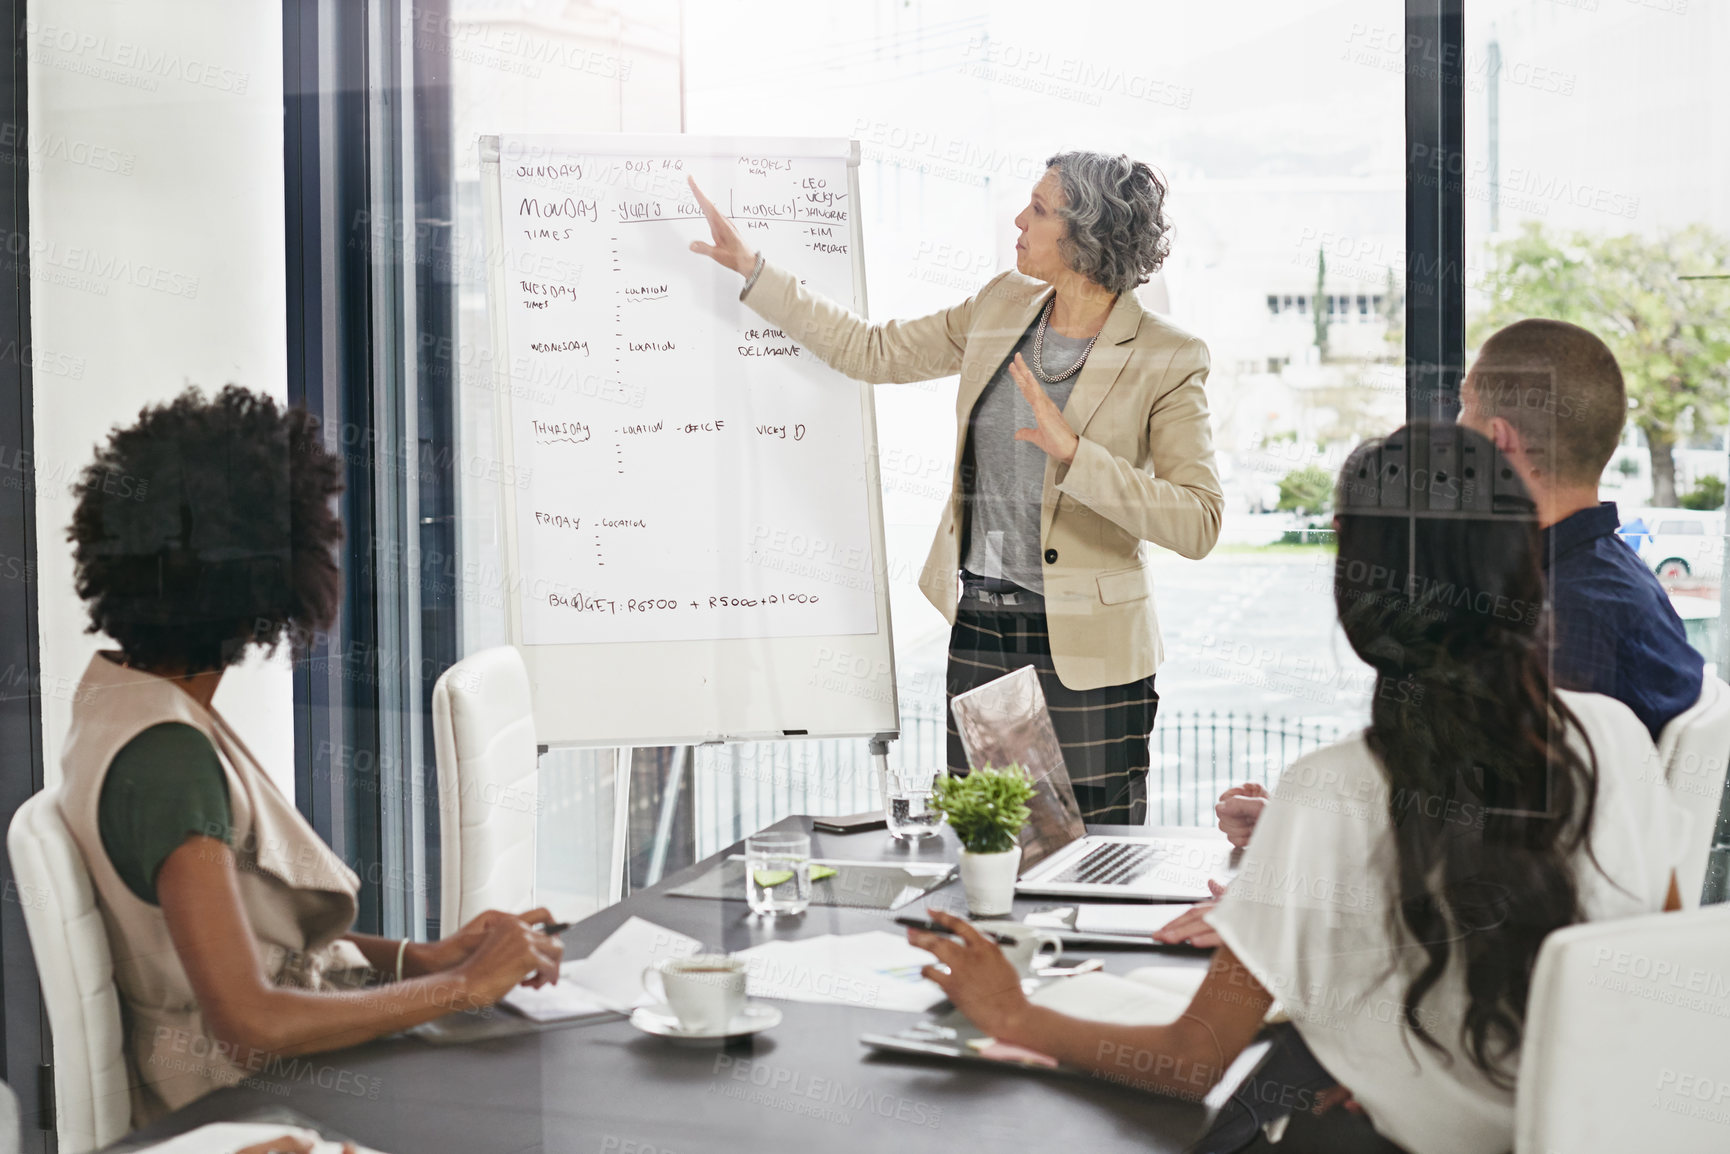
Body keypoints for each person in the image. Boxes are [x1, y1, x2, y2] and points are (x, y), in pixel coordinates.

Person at [910, 424, 1684, 1154]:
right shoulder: (1609, 735)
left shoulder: (1331, 791)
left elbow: (1191, 1060)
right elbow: (1653, 949)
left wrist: (1013, 1011)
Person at [57, 387, 562, 1127]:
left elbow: (245, 940)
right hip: (260, 1114)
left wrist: (427, 959)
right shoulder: (170, 761)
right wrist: (466, 988)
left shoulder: (122, 699)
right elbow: (250, 1027)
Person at [688, 151, 1224, 822]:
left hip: (1092, 652)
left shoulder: (1167, 355)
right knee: (989, 840)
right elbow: (873, 350)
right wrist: (755, 272)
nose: (1019, 219)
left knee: (1092, 860)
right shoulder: (1002, 303)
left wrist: (1077, 455)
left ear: (1086, 234)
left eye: (1039, 209)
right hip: (985, 628)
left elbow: (1199, 521)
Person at [1192, 319, 1703, 900]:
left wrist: (1285, 904)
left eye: (1465, 411)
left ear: (1500, 443)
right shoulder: (1601, 583)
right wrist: (1309, 829)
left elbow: (1492, 859)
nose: (1453, 432)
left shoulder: (1563, 621)